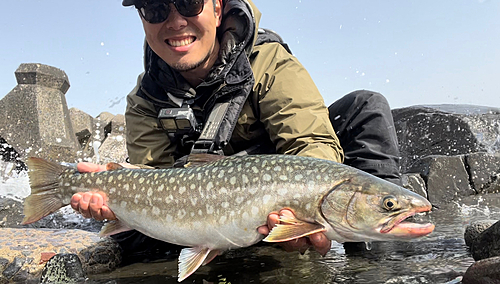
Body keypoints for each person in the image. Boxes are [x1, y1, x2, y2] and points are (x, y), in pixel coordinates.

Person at [71, 0, 401, 264]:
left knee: (364, 107)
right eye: (156, 9)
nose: (174, 22)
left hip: (276, 182)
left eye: (188, 4)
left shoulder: (267, 59)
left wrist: (306, 207)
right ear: (143, 20)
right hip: (200, 198)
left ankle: (377, 258)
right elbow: (154, 179)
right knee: (132, 237)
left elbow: (311, 143)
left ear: (218, 8)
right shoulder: (145, 100)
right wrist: (116, 189)